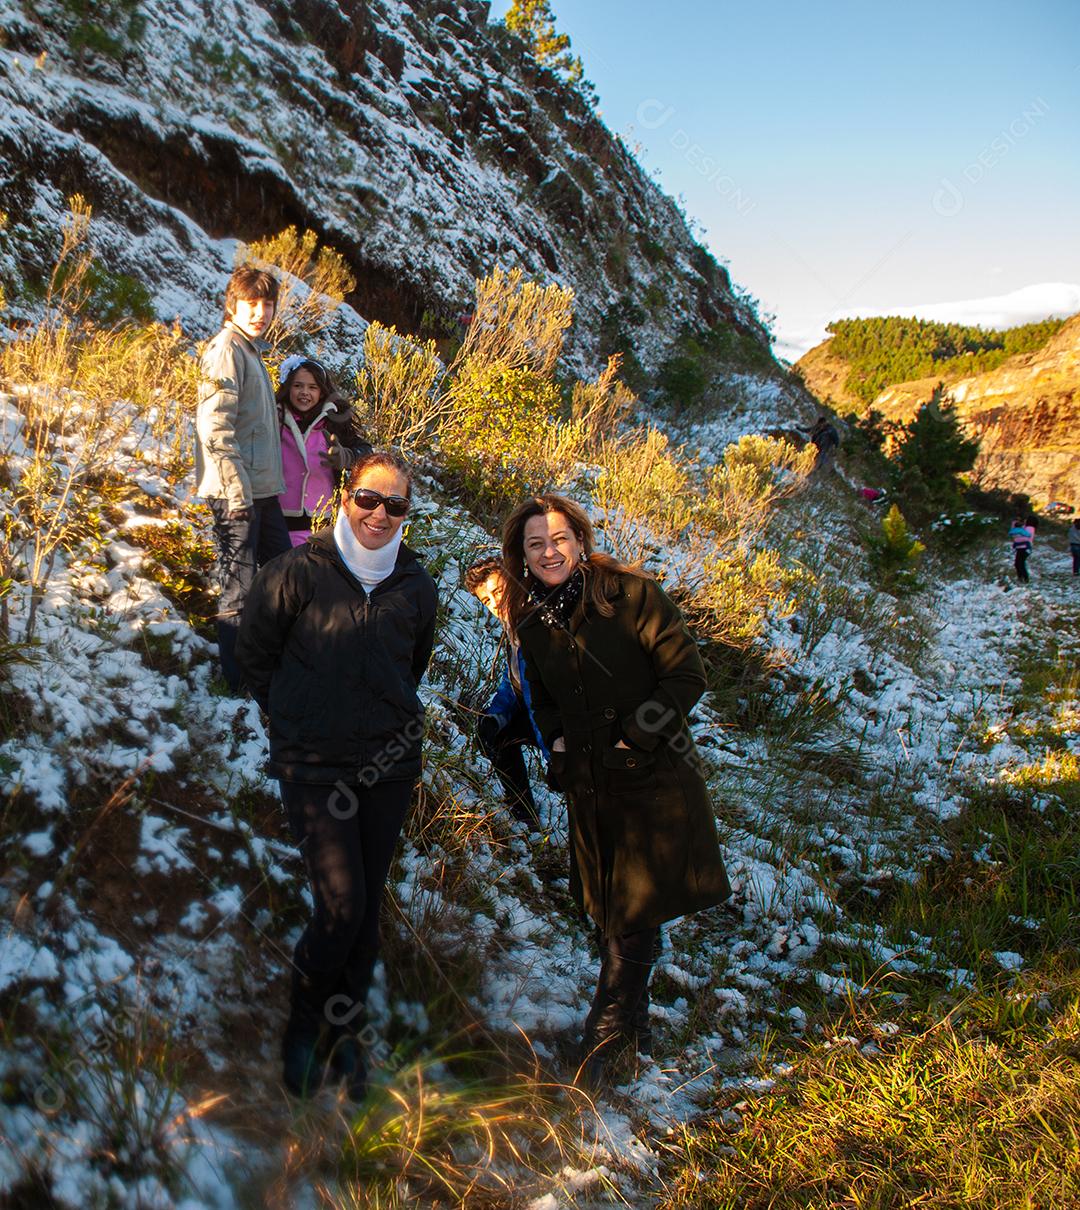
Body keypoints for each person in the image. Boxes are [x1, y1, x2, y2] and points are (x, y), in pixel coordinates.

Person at [501, 493, 730, 1086]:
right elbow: (544, 702)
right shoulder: (531, 622)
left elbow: (686, 674)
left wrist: (635, 736)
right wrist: (552, 741)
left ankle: (602, 1043)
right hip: (588, 787)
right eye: (535, 544)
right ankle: (638, 1028)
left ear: (579, 541)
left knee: (631, 909)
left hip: (651, 781)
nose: (548, 552)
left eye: (558, 539)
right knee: (612, 909)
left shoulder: (634, 597)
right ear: (522, 557)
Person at [236, 451, 437, 1100]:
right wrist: (293, 720)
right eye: (368, 500)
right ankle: (302, 1026)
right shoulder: (297, 571)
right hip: (315, 771)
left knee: (367, 908)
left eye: (395, 506)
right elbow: (256, 657)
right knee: (342, 905)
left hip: (389, 768)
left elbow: (413, 667)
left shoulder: (416, 587)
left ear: (408, 514)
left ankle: (344, 1035)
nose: (379, 514)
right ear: (343, 498)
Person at [196, 266, 291, 692]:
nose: (261, 312)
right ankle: (236, 685)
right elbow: (214, 426)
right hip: (237, 494)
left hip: (260, 493)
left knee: (288, 571)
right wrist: (237, 493)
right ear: (233, 304)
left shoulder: (249, 350)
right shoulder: (226, 350)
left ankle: (272, 661)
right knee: (238, 589)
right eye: (252, 303)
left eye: (267, 304)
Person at [464, 556, 547, 828]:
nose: (495, 603)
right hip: (543, 721)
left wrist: (554, 755)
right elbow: (513, 682)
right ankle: (525, 817)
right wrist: (495, 715)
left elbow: (541, 702)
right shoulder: (515, 627)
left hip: (566, 726)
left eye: (498, 592)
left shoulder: (541, 622)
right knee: (498, 733)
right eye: (486, 600)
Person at [276, 355, 372, 546]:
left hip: (323, 521)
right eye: (298, 386)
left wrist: (347, 458)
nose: (305, 392)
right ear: (287, 388)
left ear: (322, 391)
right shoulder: (273, 417)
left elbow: (366, 452)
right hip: (279, 520)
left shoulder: (333, 420)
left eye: (312, 387)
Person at [1009, 516, 1034, 583]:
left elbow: (1026, 537)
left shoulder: (1030, 528)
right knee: (1018, 564)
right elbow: (1014, 529)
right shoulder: (1024, 528)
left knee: (1020, 564)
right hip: (1020, 548)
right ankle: (1021, 578)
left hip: (1024, 548)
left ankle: (1024, 579)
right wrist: (1014, 523)